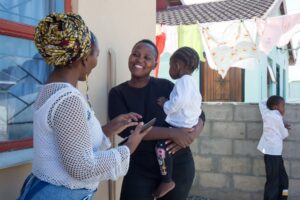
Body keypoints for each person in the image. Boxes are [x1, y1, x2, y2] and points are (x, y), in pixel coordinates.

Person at [17, 13, 150, 200]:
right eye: (97, 54)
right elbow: (82, 167)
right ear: (84, 58)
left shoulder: (51, 90)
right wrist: (128, 147)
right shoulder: (67, 99)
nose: (96, 61)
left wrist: (109, 128)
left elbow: (72, 142)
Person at [108, 39, 205, 200]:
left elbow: (199, 113)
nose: (139, 60)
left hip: (177, 166)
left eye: (147, 57)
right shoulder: (118, 93)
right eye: (135, 55)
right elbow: (128, 131)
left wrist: (191, 135)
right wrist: (173, 133)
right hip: (140, 169)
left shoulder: (166, 86)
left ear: (155, 64)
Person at [155, 47, 202, 198]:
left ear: (178, 65)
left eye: (170, 65)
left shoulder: (182, 82)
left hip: (179, 125)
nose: (169, 69)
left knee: (161, 147)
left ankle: (167, 180)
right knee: (168, 149)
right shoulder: (192, 83)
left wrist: (165, 105)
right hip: (189, 123)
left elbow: (178, 101)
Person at [257, 95, 290, 200]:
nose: (284, 109)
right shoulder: (276, 117)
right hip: (273, 154)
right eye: (283, 106)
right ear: (275, 107)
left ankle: (283, 197)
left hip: (273, 154)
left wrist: (271, 104)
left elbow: (262, 102)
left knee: (280, 180)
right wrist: (284, 127)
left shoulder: (266, 113)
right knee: (274, 182)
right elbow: (284, 134)